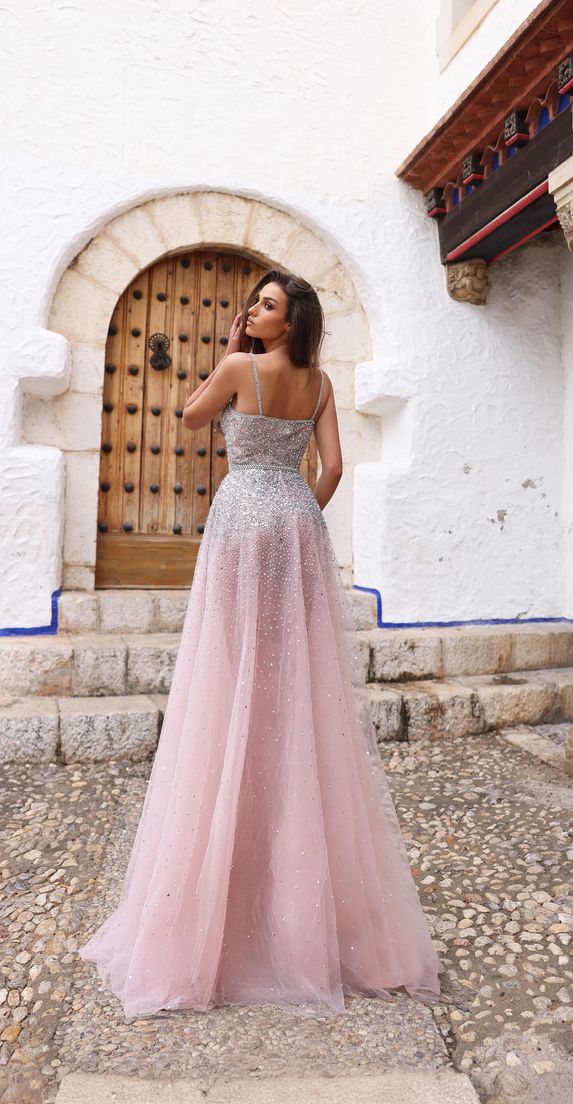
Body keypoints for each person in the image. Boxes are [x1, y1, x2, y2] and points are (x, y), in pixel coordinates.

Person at [78, 267, 443, 1022]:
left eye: (267, 305)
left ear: (288, 320)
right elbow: (334, 467)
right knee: (292, 680)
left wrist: (230, 351)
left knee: (232, 670)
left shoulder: (240, 365)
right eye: (255, 302)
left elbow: (186, 416)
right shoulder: (320, 383)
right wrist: (299, 514)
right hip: (296, 524)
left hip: (243, 518)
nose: (253, 310)